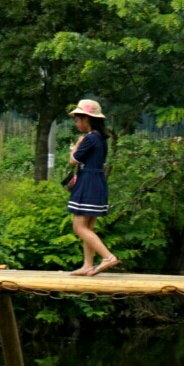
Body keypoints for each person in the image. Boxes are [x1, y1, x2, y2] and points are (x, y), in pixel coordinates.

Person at [65, 99, 119, 276]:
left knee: (79, 227)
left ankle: (108, 257)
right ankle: (88, 265)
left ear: (86, 119)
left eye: (77, 118)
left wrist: (77, 145)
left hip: (88, 183)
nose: (76, 122)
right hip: (98, 182)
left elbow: (73, 160)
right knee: (88, 227)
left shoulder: (89, 139)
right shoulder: (101, 138)